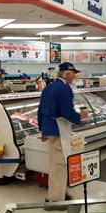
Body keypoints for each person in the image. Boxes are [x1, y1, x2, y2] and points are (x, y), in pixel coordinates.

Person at [37, 62, 88, 203]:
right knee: (59, 166)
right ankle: (54, 200)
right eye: (74, 74)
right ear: (68, 74)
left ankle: (60, 192)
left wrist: (42, 129)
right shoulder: (64, 88)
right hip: (58, 129)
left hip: (49, 128)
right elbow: (66, 112)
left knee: (55, 163)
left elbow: (40, 109)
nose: (75, 77)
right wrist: (80, 117)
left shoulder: (49, 87)